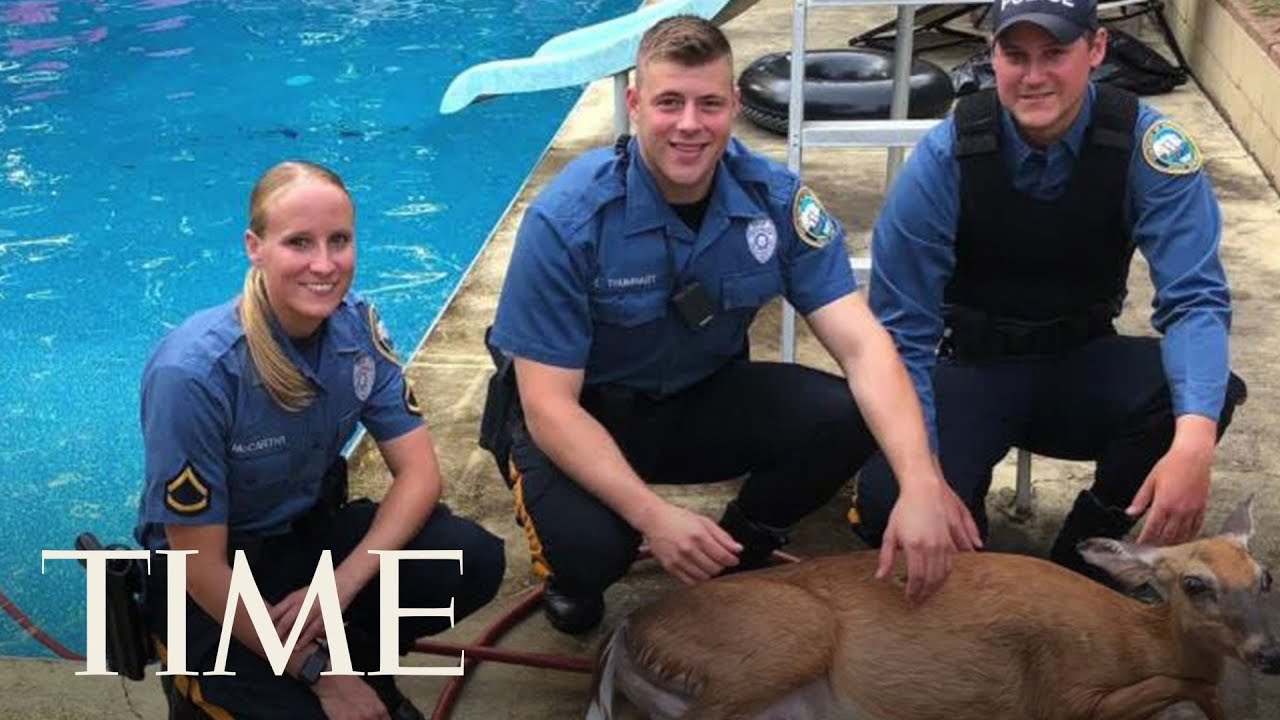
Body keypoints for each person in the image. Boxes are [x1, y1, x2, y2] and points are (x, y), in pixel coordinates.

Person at [481, 15, 980, 636]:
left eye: (709, 104)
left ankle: (742, 546)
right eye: (669, 103)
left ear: (735, 105)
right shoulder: (567, 219)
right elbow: (549, 406)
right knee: (592, 550)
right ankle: (573, 578)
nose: (689, 125)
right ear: (635, 105)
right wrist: (654, 518)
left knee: (847, 412)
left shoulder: (773, 199)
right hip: (581, 417)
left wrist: (921, 479)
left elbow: (864, 345)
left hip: (695, 400)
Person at [856, 0, 1247, 583]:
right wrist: (924, 478)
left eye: (1055, 53)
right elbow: (899, 333)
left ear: (1095, 51)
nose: (1034, 76)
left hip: (1080, 362)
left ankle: (1084, 561)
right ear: (992, 57)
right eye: (1016, 55)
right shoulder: (945, 158)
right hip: (971, 370)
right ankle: (970, 542)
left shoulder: (1147, 148)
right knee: (892, 505)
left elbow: (1194, 301)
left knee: (1202, 399)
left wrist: (1195, 442)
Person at [134, 161, 505, 719]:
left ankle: (360, 665)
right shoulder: (195, 374)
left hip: (303, 545)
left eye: (340, 241)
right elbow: (199, 567)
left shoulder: (357, 331)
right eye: (298, 243)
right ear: (254, 247)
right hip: (208, 590)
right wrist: (319, 676)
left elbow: (421, 474)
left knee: (471, 558)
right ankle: (232, 684)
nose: (325, 265)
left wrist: (338, 586)